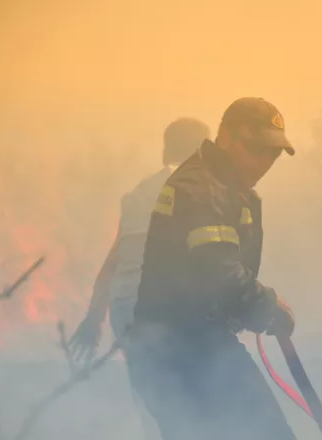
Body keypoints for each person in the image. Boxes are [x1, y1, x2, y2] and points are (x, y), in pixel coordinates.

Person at [124, 97, 298, 440]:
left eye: (274, 154)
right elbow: (217, 273)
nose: (264, 162)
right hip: (176, 354)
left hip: (203, 344)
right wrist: (267, 306)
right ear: (228, 138)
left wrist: (255, 308)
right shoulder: (202, 190)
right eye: (257, 149)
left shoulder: (227, 187)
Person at [68, 117, 210, 438]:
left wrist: (93, 320)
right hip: (163, 305)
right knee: (189, 396)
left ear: (164, 152)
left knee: (151, 400)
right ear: (204, 152)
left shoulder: (138, 194)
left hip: (124, 306)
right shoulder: (197, 188)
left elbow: (114, 262)